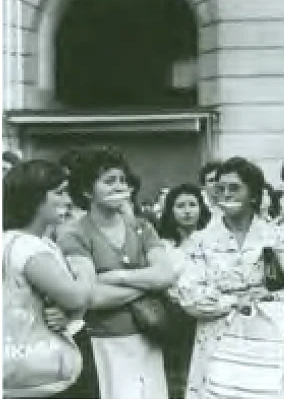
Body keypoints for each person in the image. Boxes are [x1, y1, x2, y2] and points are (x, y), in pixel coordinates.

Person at [171, 157, 284, 398]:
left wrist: (269, 295)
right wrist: (233, 302)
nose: (226, 194)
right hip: (217, 343)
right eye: (220, 188)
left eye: (234, 188)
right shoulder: (201, 241)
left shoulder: (276, 237)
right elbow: (188, 296)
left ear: (254, 194)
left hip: (270, 342)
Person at [57, 147, 177, 399]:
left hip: (149, 338)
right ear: (88, 190)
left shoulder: (142, 228)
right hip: (104, 342)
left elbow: (167, 274)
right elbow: (91, 296)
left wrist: (117, 277)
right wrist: (148, 283)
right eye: (109, 181)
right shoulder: (74, 234)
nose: (119, 187)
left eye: (123, 181)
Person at [3, 160, 95, 397]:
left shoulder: (21, 242)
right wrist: (85, 267)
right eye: (59, 192)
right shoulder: (28, 247)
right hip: (43, 371)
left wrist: (67, 313)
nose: (68, 200)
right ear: (33, 197)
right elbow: (75, 296)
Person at [157, 183, 212, 398]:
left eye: (192, 204)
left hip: (209, 315)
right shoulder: (163, 245)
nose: (187, 210)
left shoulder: (212, 240)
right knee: (179, 376)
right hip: (176, 318)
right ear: (171, 211)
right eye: (180, 206)